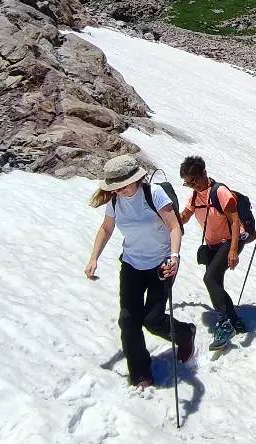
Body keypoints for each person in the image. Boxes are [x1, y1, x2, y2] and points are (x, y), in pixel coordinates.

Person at [84, 154, 195, 387]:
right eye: (116, 187)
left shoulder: (153, 194)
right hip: (132, 264)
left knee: (152, 319)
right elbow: (106, 228)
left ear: (136, 179)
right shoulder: (115, 201)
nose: (120, 191)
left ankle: (185, 334)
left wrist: (173, 256)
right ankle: (140, 373)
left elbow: (174, 227)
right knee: (128, 320)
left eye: (123, 186)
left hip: (162, 264)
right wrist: (94, 257)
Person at [179, 155, 246, 348]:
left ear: (204, 174)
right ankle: (234, 321)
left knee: (209, 278)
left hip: (230, 241)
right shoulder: (194, 196)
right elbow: (185, 216)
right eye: (189, 183)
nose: (193, 185)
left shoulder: (220, 192)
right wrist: (170, 217)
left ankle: (224, 324)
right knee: (216, 282)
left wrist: (233, 250)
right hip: (213, 245)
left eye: (195, 180)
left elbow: (235, 221)